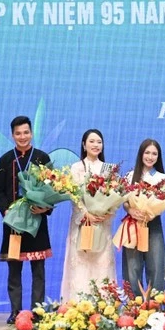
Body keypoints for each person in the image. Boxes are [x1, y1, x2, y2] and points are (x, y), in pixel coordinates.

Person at [0, 116, 52, 324]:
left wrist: (45, 207)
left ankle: (37, 312)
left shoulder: (42, 158)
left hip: (37, 222)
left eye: (26, 132)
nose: (22, 137)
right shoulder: (5, 159)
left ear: (32, 133)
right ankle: (15, 311)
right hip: (13, 224)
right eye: (18, 133)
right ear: (12, 135)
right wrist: (7, 211)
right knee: (14, 270)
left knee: (38, 270)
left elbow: (52, 189)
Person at [60, 129, 117, 301]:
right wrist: (85, 213)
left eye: (99, 142)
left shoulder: (109, 169)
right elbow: (74, 196)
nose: (95, 145)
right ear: (84, 145)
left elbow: (115, 196)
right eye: (91, 141)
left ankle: (104, 306)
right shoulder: (76, 168)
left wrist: (108, 212)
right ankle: (78, 306)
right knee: (81, 265)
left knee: (102, 264)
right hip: (82, 224)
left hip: (102, 224)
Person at [122, 139, 165, 294]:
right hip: (133, 224)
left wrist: (152, 212)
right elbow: (124, 201)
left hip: (153, 225)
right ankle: (134, 305)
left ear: (158, 157)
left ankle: (155, 305)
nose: (150, 157)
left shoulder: (162, 178)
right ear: (141, 154)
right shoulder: (129, 176)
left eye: (154, 154)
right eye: (147, 152)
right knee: (132, 267)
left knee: (156, 265)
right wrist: (130, 210)